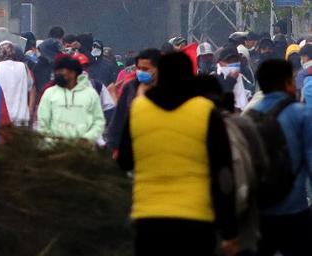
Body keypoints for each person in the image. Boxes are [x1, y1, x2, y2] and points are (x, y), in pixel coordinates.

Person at [116, 52, 237, 256]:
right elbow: (223, 174)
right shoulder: (205, 110)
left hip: (148, 219)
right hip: (196, 220)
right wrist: (229, 231)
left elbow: (125, 162)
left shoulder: (138, 108)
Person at [248, 59, 312, 255]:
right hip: (295, 209)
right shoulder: (302, 114)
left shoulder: (248, 116)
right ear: (287, 83)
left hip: (258, 212)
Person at [35, 55, 105, 143]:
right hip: (55, 149)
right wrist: (51, 142)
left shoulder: (91, 94)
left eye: (61, 71)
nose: (58, 74)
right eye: (57, 71)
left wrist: (86, 139)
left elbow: (98, 121)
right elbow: (42, 122)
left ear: (73, 73)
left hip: (84, 151)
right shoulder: (49, 93)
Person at [106, 49, 160, 152]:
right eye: (139, 68)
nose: (141, 72)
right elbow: (119, 119)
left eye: (145, 69)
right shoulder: (130, 88)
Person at [0, 41, 34, 126]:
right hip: (21, 120)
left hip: (2, 119)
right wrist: (30, 110)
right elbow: (32, 88)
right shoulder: (23, 67)